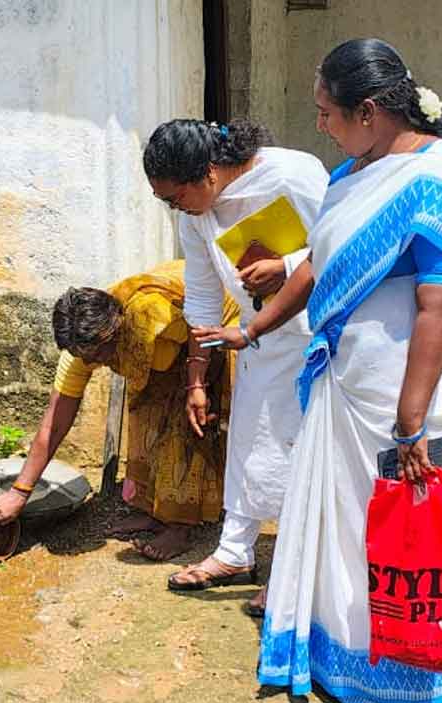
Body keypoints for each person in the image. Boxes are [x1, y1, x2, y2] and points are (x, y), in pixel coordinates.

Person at [195, 39, 442, 703]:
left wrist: (412, 421)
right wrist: (252, 330)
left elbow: (439, 304)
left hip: (409, 397)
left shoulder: (437, 177)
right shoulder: (351, 175)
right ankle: (348, 666)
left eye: (327, 112)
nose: (322, 126)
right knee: (348, 531)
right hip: (348, 385)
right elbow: (313, 268)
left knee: (404, 538)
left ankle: (405, 692)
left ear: (368, 111)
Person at [144, 120, 326, 615]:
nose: (175, 208)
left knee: (297, 456)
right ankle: (234, 553)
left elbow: (343, 245)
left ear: (208, 173)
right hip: (255, 342)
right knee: (249, 448)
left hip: (317, 341)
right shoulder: (196, 215)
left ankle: (293, 569)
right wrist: (197, 380)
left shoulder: (292, 176)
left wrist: (286, 268)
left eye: (177, 197)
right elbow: (203, 297)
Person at [0, 261, 239, 558]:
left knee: (186, 422)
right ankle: (153, 511)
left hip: (209, 330)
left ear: (116, 332)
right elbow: (53, 423)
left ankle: (180, 525)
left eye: (99, 355)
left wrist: (199, 385)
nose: (92, 364)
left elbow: (201, 326)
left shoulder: (151, 315)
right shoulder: (81, 350)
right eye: (84, 357)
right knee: (144, 418)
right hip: (171, 340)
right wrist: (19, 491)